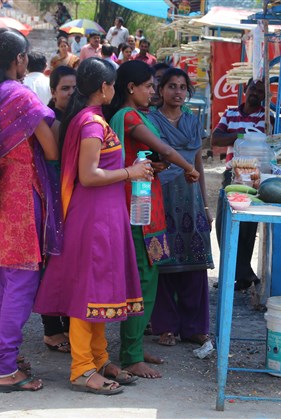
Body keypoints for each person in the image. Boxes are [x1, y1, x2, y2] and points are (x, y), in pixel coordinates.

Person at [34, 57, 151, 395]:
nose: (115, 89)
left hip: (103, 216)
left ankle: (99, 359)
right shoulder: (91, 123)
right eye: (113, 84)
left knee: (98, 290)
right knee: (88, 292)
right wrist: (130, 172)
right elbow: (88, 175)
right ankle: (82, 368)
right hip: (94, 219)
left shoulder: (89, 118)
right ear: (104, 87)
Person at [0, 28, 61, 392]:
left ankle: (3, 359)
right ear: (19, 59)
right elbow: (51, 150)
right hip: (20, 199)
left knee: (8, 283)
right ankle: (5, 368)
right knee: (19, 285)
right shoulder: (19, 96)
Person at [107, 60, 201, 377]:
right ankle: (131, 355)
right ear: (131, 87)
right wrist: (189, 168)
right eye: (149, 86)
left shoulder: (137, 115)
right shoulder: (129, 116)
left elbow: (145, 155)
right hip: (137, 209)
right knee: (142, 280)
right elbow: (165, 148)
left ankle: (133, 347)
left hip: (147, 204)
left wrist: (157, 165)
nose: (153, 91)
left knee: (149, 277)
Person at [147, 68, 213, 347]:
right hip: (160, 196)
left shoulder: (192, 122)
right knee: (162, 262)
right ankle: (165, 327)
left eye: (183, 87)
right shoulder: (150, 121)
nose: (178, 92)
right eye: (172, 86)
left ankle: (194, 327)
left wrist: (206, 205)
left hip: (190, 198)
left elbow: (198, 164)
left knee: (195, 263)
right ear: (160, 90)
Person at [211, 78, 269, 290]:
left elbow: (265, 140)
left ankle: (239, 275)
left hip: (254, 177)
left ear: (265, 96)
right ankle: (242, 273)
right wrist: (243, 135)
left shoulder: (266, 117)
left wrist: (233, 138)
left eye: (261, 91)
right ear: (245, 89)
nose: (255, 93)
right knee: (223, 223)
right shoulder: (230, 113)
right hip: (231, 174)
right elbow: (216, 139)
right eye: (253, 88)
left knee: (246, 227)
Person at [38, 65, 78, 353]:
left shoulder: (77, 117)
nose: (71, 93)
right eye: (65, 88)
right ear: (53, 92)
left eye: (75, 88)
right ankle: (51, 329)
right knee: (52, 260)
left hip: (70, 194)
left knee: (69, 260)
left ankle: (68, 323)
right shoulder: (49, 119)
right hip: (53, 194)